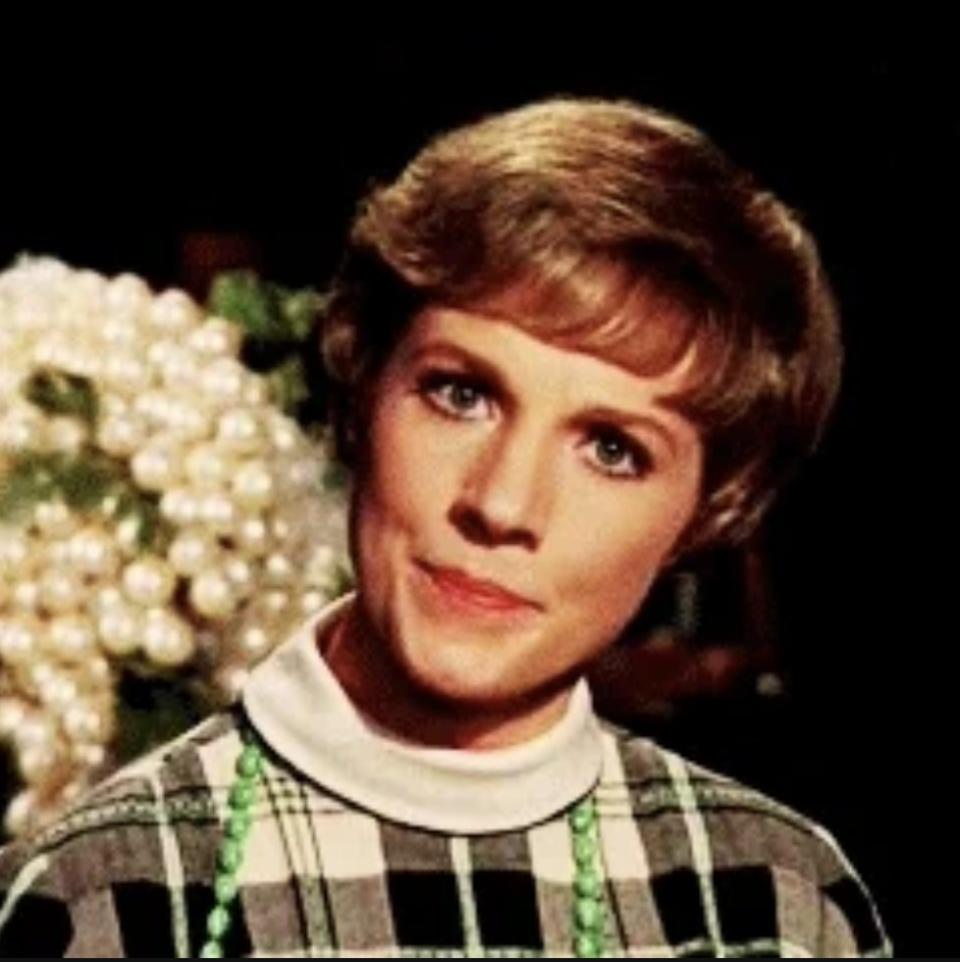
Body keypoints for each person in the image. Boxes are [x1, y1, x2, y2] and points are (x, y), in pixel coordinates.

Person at [0, 97, 891, 957]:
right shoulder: (100, 898)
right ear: (361, 392)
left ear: (709, 512)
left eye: (612, 449)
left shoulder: (775, 903)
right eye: (460, 394)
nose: (502, 505)